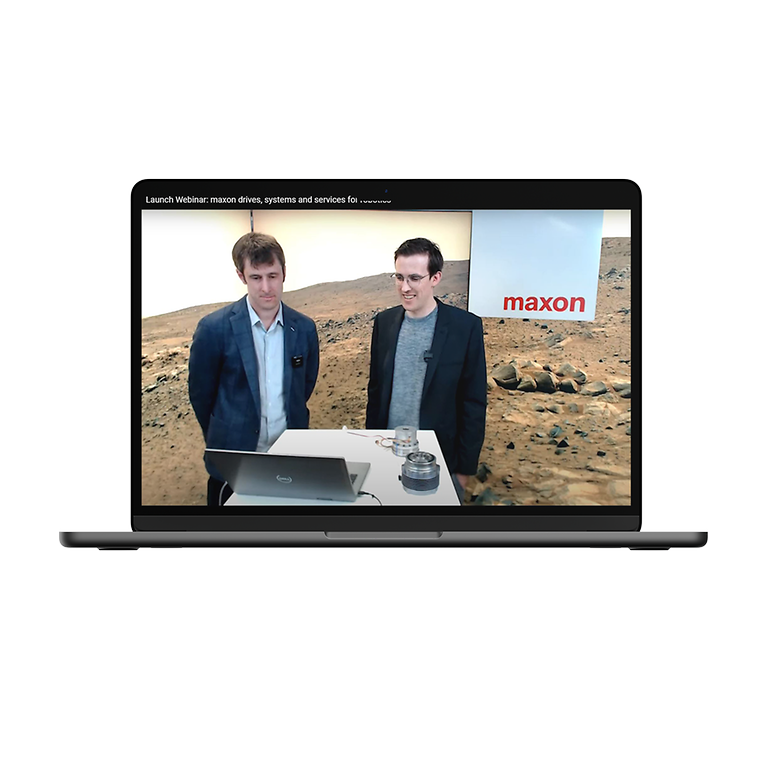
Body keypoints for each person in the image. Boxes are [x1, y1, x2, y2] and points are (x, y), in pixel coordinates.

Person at [189, 232, 319, 506]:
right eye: (256, 277)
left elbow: (304, 386)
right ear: (241, 276)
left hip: (289, 459)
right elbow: (201, 395)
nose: (266, 287)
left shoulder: (304, 328)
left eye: (272, 276)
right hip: (233, 465)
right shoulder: (214, 329)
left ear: (284, 273)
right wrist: (222, 435)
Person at [365, 237, 486, 501]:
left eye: (414, 278)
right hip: (387, 455)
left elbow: (474, 404)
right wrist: (371, 447)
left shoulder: (465, 328)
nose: (404, 287)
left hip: (441, 462)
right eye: (399, 277)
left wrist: (463, 471)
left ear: (435, 278)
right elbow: (375, 392)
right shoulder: (384, 323)